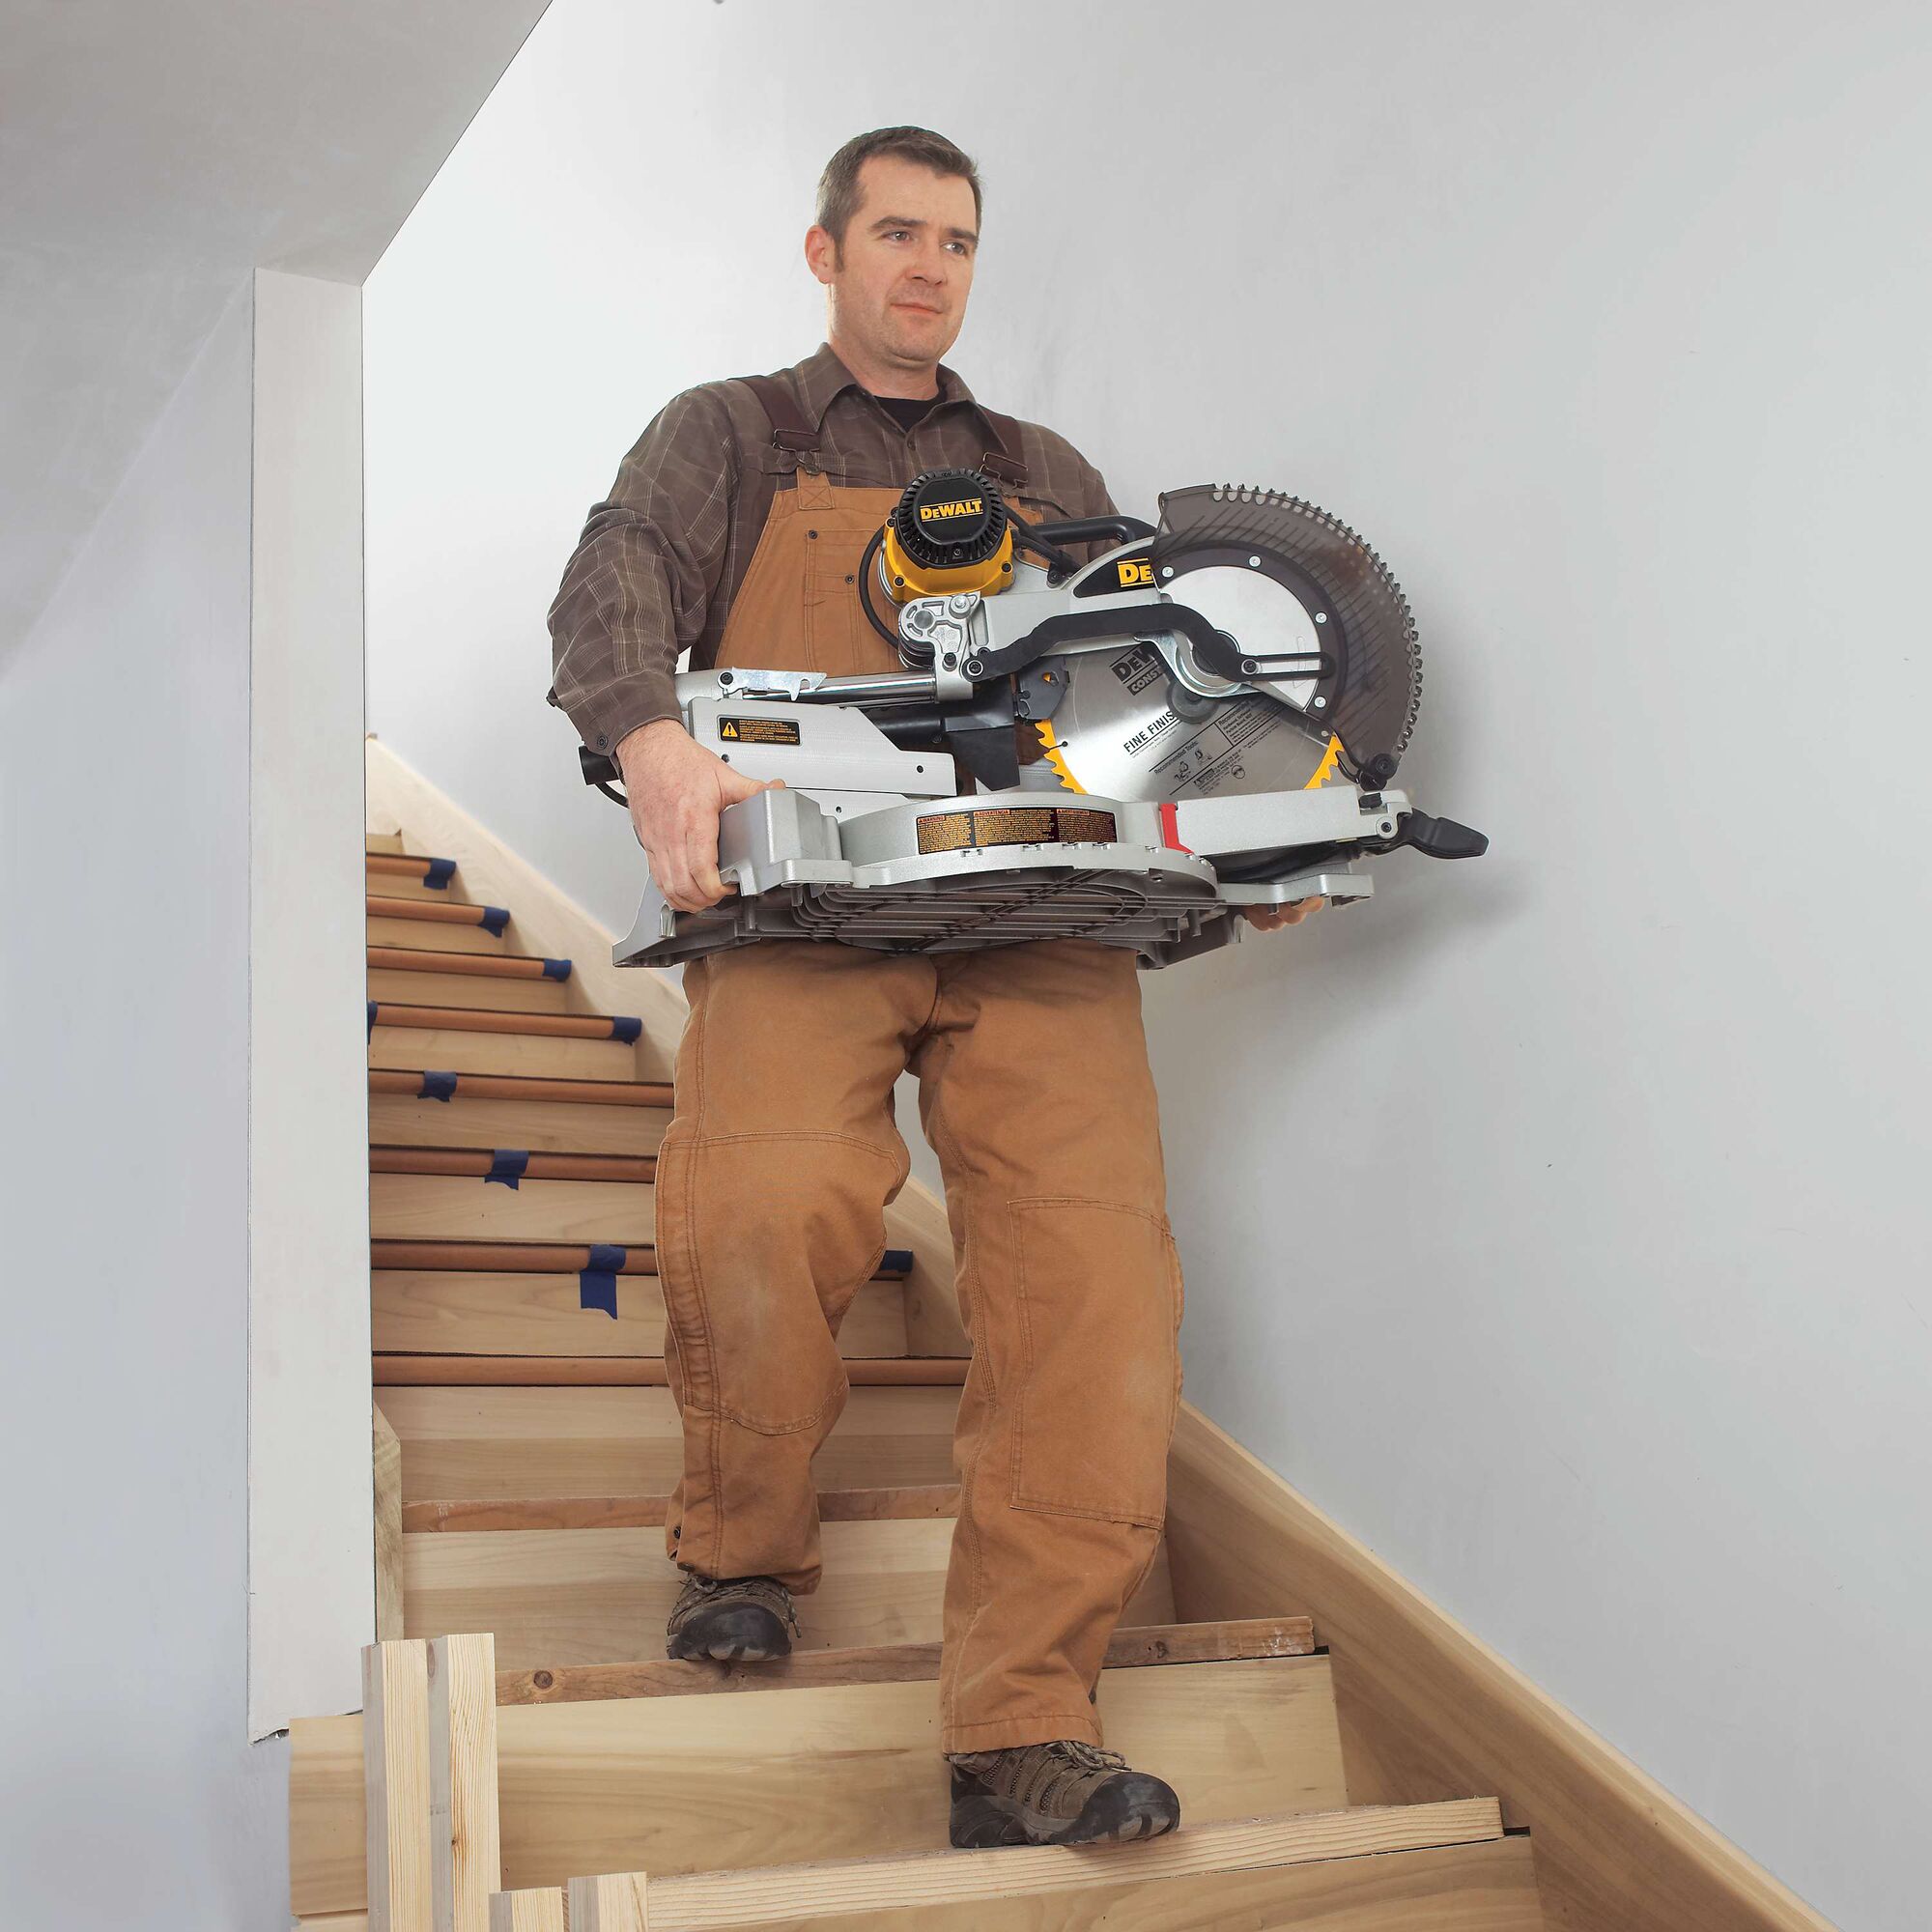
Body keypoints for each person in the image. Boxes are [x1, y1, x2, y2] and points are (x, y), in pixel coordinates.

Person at [548, 126, 1320, 1852]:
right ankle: (739, 1546)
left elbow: (1141, 684)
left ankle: (1021, 1726)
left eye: (956, 241)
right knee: (759, 1213)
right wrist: (653, 739)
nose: (928, 266)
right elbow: (611, 588)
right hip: (805, 912)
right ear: (824, 253)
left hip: (1043, 919)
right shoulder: (730, 432)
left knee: (1093, 1293)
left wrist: (1248, 835)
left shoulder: (1047, 467)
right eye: (895, 233)